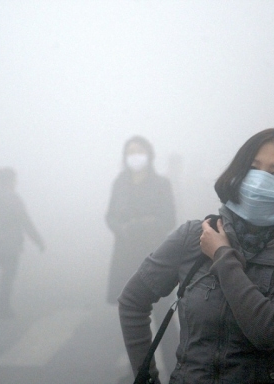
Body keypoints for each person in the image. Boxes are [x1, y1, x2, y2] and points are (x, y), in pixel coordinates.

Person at [119, 128, 274, 384]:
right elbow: (132, 301)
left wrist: (222, 255)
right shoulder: (194, 236)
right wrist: (146, 379)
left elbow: (269, 332)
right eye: (254, 168)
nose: (260, 181)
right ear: (239, 173)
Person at [105, 135, 178, 379]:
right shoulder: (120, 183)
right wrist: (123, 228)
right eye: (130, 151)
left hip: (155, 257)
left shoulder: (161, 183)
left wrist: (149, 223)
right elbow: (110, 216)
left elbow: (170, 218)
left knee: (163, 319)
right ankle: (141, 371)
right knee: (132, 319)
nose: (135, 156)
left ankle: (176, 367)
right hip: (125, 257)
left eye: (139, 150)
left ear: (149, 154)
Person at [0, 167, 45, 318]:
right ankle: (3, 306)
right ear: (9, 180)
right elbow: (25, 221)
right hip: (9, 243)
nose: (16, 182)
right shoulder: (14, 198)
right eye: (15, 179)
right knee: (8, 275)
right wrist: (38, 240)